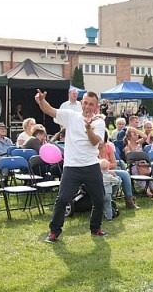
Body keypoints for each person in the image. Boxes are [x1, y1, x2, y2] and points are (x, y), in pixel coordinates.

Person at [35, 88, 107, 242]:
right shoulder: (70, 116)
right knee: (62, 199)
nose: (87, 106)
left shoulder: (99, 122)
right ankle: (54, 232)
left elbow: (95, 142)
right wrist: (41, 100)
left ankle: (95, 229)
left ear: (96, 107)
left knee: (99, 200)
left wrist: (88, 127)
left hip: (91, 165)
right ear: (82, 103)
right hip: (72, 167)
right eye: (86, 103)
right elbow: (50, 111)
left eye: (91, 104)